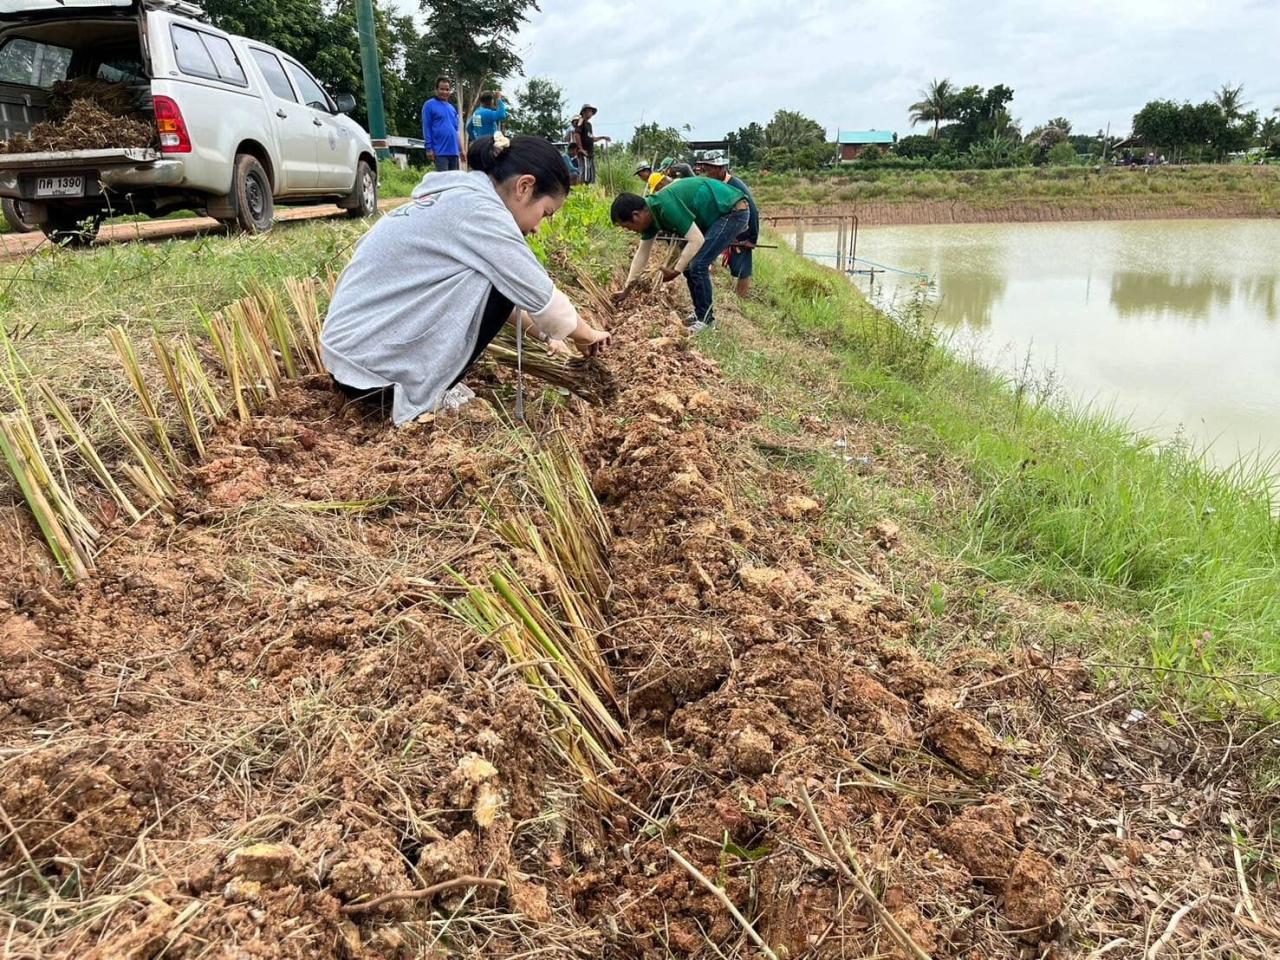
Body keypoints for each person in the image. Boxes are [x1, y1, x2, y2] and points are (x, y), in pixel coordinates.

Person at [321, 134, 610, 424]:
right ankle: (421, 387)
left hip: (352, 357)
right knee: (503, 280)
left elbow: (504, 300)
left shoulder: (458, 197)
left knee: (497, 279)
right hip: (373, 372)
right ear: (524, 186)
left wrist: (546, 335)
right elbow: (542, 297)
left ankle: (423, 377)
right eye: (545, 213)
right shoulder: (480, 211)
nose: (537, 228)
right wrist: (587, 336)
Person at [610, 176, 749, 332]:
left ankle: (707, 322)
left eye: (628, 227)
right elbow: (641, 255)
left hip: (732, 212)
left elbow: (696, 240)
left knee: (698, 265)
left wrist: (676, 270)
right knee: (690, 266)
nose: (630, 231)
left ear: (636, 215)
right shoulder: (650, 216)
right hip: (718, 216)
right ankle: (700, 314)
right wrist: (627, 289)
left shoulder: (665, 205)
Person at [700, 151, 759, 297]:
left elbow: (754, 211)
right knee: (706, 259)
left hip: (740, 233)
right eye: (706, 169)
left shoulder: (736, 185)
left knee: (742, 269)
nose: (707, 174)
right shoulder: (713, 184)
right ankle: (713, 293)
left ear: (721, 169)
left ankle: (741, 298)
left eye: (710, 170)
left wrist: (752, 238)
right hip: (721, 228)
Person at [422, 76, 461, 172]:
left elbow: (456, 131)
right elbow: (426, 127)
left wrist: (461, 150)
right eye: (442, 89)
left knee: (454, 183)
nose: (444, 92)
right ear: (436, 89)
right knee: (443, 181)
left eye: (447, 89)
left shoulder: (452, 108)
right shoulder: (429, 105)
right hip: (440, 152)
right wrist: (429, 148)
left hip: (454, 152)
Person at [570, 104, 611, 184]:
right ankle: (581, 191)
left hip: (590, 153)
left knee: (591, 175)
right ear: (584, 112)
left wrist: (603, 137)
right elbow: (576, 134)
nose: (591, 113)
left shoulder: (589, 125)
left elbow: (591, 138)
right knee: (584, 174)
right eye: (589, 111)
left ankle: (588, 191)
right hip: (584, 152)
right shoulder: (580, 122)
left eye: (592, 112)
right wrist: (581, 149)